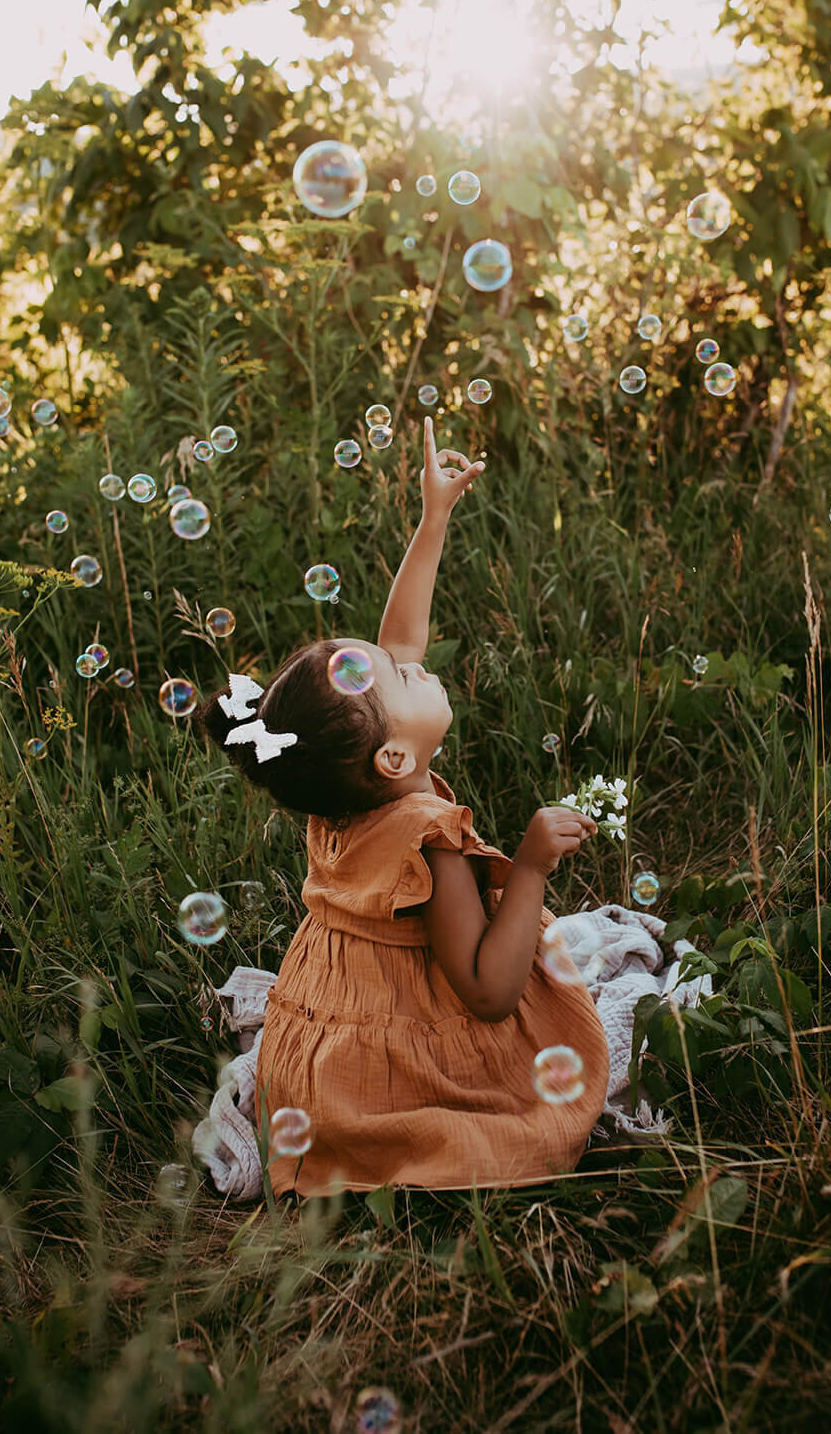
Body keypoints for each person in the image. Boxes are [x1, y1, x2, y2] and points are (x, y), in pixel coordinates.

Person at [197, 416, 610, 1198]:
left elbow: (402, 641)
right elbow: (488, 993)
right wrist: (527, 865)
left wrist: (433, 518)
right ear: (393, 757)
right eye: (398, 675)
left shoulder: (338, 797)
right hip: (395, 1074)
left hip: (317, 1067)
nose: (410, 661)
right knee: (541, 1082)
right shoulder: (429, 838)